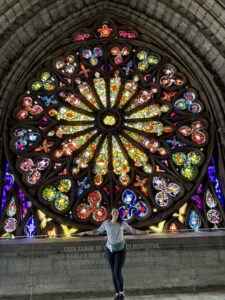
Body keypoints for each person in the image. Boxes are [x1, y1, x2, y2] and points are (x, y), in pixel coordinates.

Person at [75, 208, 151, 299]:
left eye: (117, 212)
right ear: (111, 213)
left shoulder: (122, 223)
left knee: (117, 271)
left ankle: (122, 292)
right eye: (114, 211)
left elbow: (133, 231)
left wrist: (145, 232)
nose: (115, 213)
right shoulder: (106, 223)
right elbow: (97, 231)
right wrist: (85, 232)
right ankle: (117, 292)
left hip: (121, 250)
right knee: (113, 272)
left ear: (118, 214)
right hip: (110, 249)